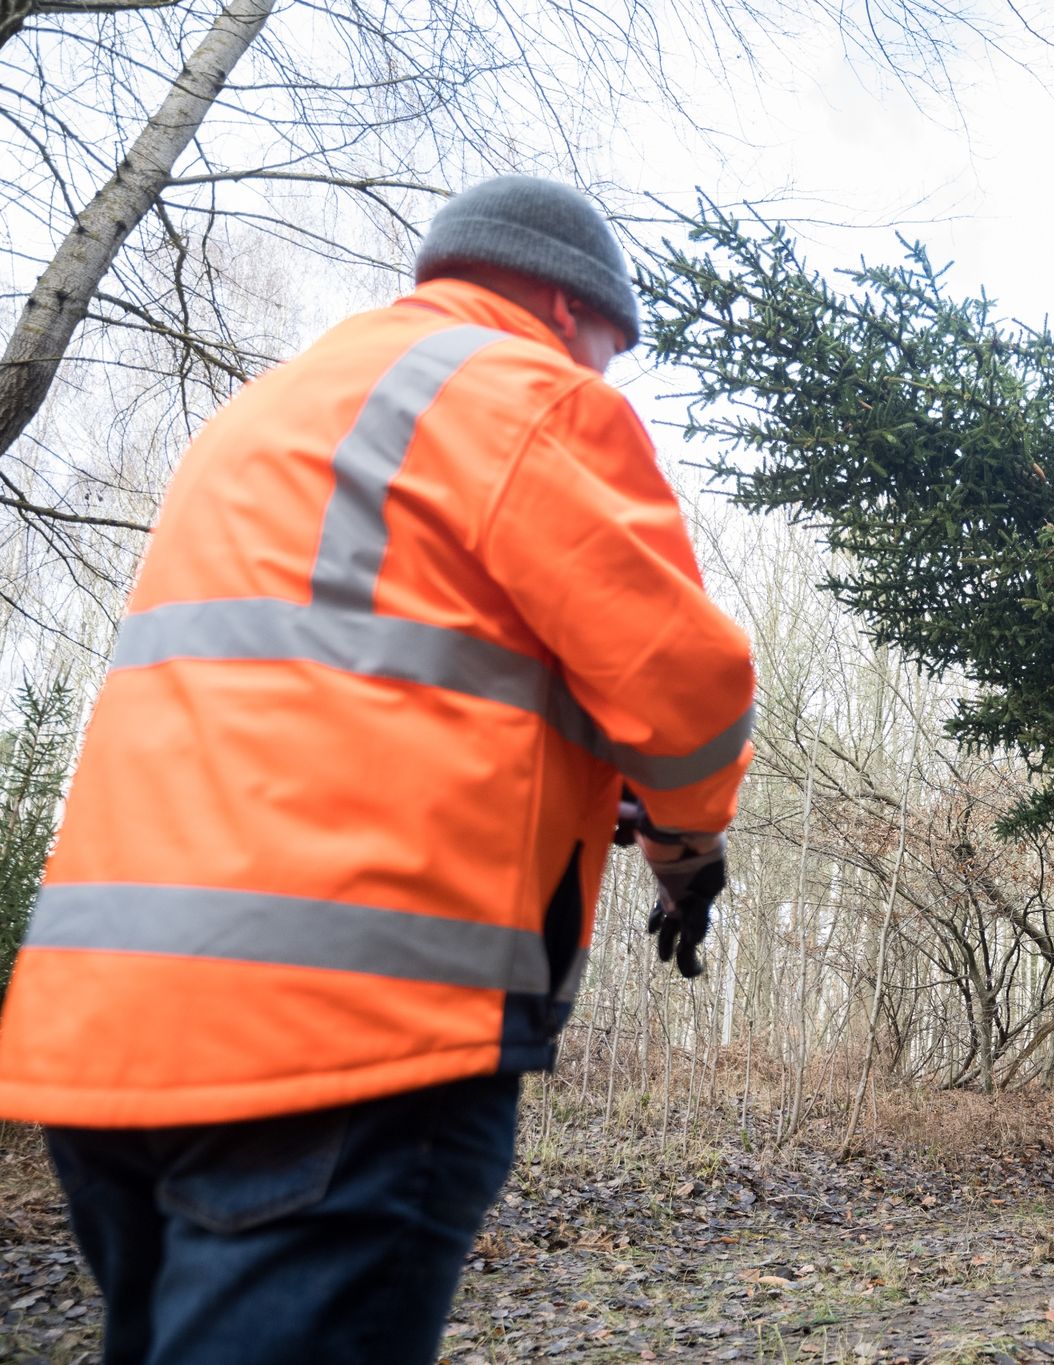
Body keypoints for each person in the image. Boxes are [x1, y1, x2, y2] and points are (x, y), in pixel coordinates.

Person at [0, 176, 755, 1365]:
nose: (609, 375)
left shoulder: (271, 412)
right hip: (344, 1034)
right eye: (614, 347)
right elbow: (686, 680)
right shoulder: (527, 390)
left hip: (99, 1040)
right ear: (566, 308)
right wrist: (683, 843)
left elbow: (346, 690)